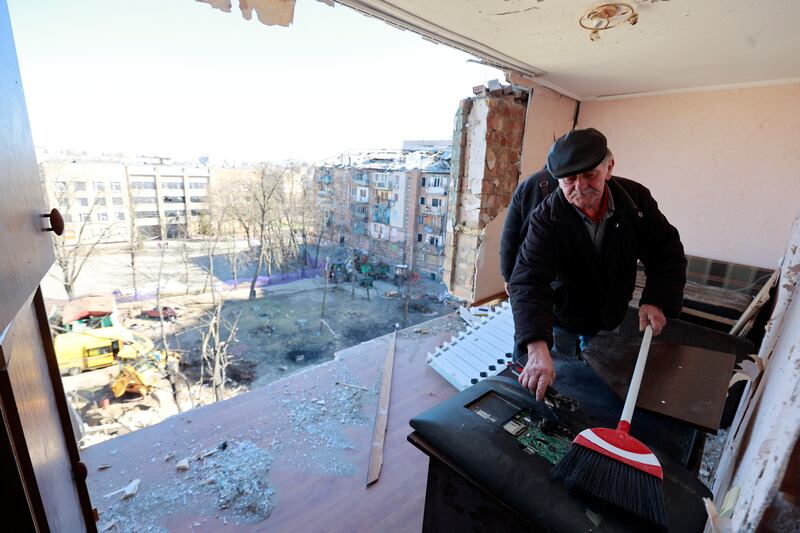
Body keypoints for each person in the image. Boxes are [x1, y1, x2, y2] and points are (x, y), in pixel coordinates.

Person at [508, 128, 686, 400]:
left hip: (610, 309)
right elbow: (529, 280)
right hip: (564, 310)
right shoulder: (545, 218)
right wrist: (536, 348)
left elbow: (666, 250)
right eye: (569, 179)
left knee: (603, 375)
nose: (580, 187)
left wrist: (657, 300)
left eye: (590, 175)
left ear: (609, 167)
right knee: (561, 374)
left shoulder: (636, 200)